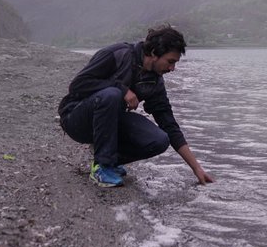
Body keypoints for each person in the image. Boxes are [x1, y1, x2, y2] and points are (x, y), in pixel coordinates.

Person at [58, 24, 215, 189]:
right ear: (154, 53)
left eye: (175, 63)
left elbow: (169, 124)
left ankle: (107, 157)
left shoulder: (155, 82)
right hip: (75, 118)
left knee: (160, 140)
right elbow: (77, 85)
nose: (172, 68)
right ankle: (102, 166)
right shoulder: (117, 54)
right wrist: (122, 89)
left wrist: (196, 168)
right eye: (170, 62)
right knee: (112, 94)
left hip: (108, 125)